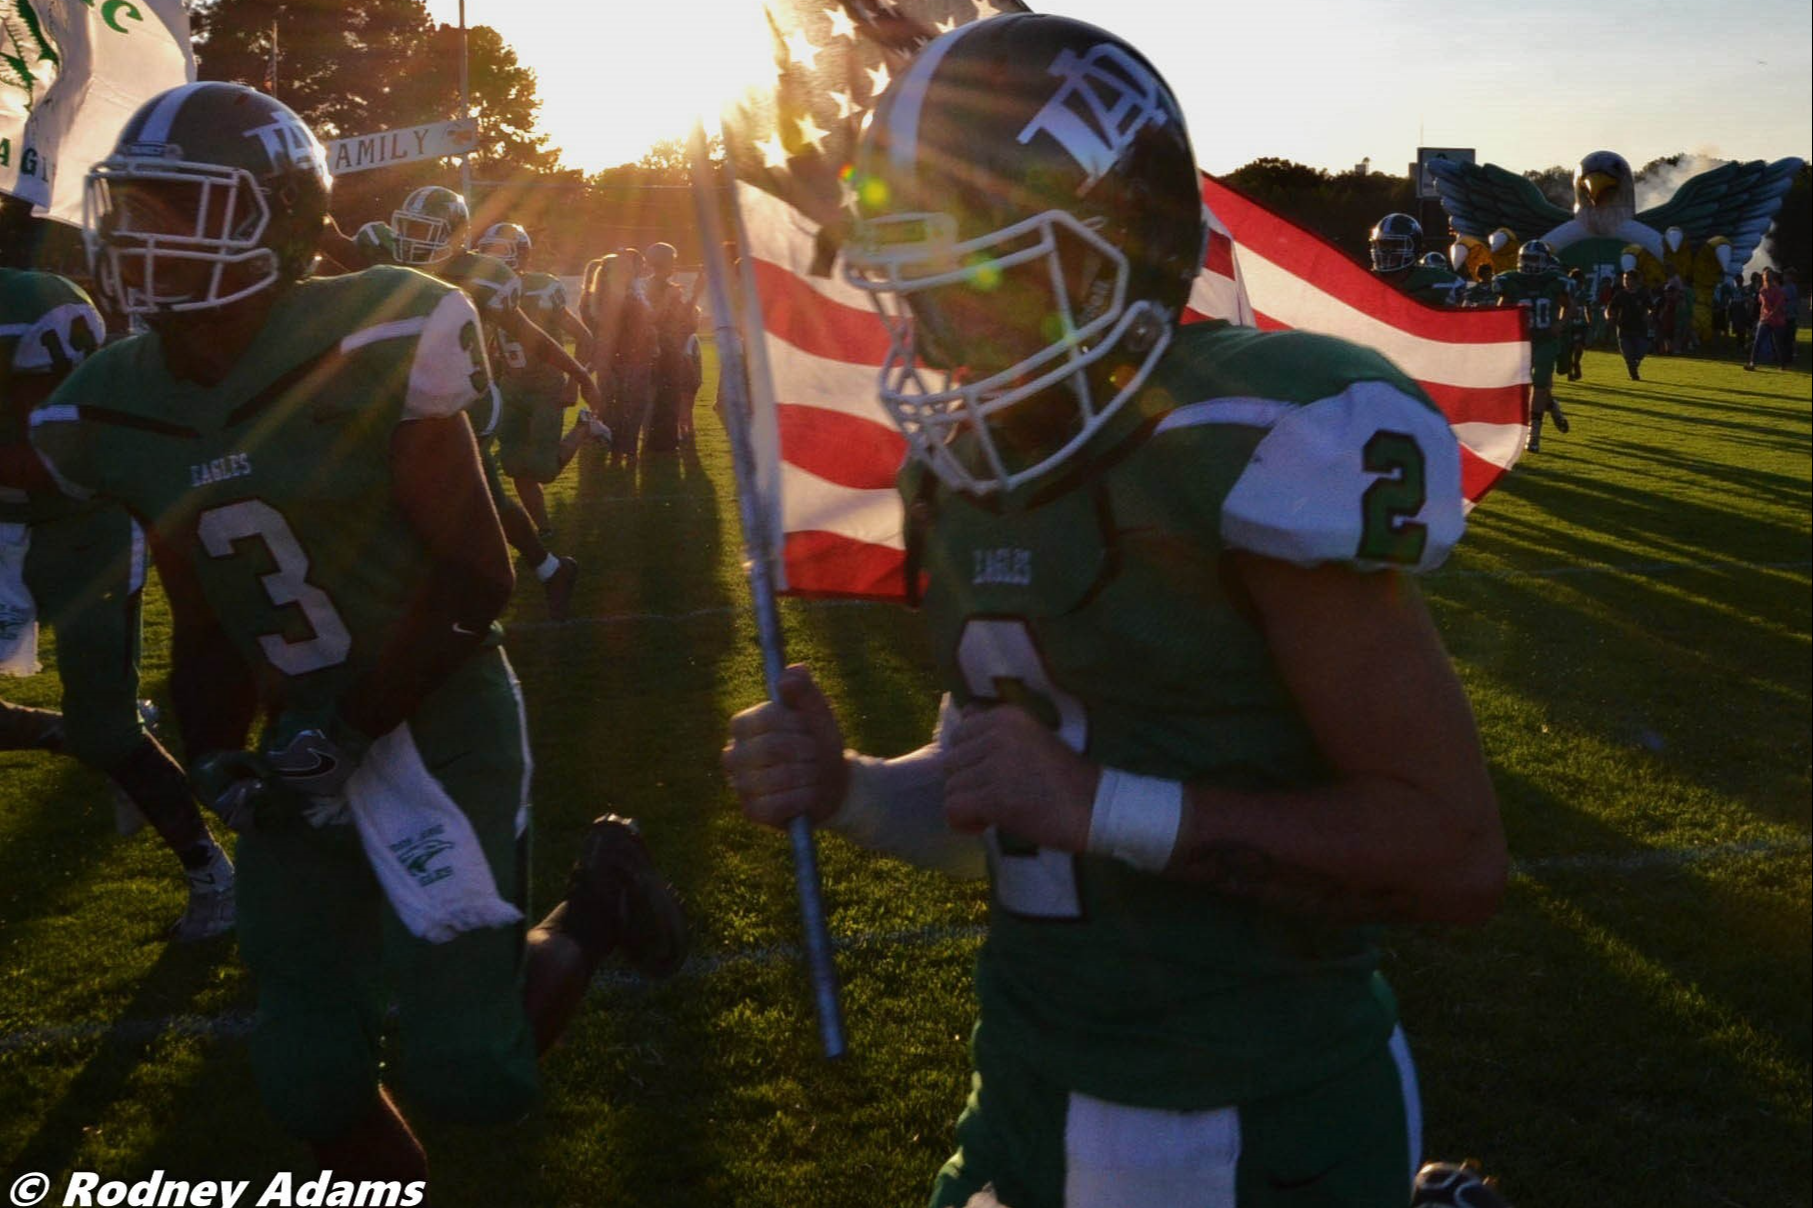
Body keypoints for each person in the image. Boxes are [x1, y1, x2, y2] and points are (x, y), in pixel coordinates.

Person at [721, 17, 1504, 1207]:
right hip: (1023, 1082)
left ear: (1107, 252)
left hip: (1242, 1114)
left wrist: (1102, 807)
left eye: (974, 279)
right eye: (915, 289)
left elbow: (1451, 853)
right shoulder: (971, 462)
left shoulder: (1241, 438)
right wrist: (850, 785)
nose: (935, 337)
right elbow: (1007, 789)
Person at [1, 82, 687, 1187]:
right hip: (302, 735)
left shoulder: (377, 328)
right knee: (307, 1073)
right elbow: (205, 607)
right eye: (136, 209)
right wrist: (221, 748)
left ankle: (599, 899)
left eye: (186, 209)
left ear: (275, 216)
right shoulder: (116, 401)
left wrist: (352, 730)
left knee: (471, 1067)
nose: (145, 239)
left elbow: (476, 578)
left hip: (437, 711)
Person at [0, 267, 235, 941]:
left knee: (110, 730)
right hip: (6, 526)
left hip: (82, 532)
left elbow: (50, 458)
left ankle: (213, 877)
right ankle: (61, 731)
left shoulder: (31, 306)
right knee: (93, 730)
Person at [474, 221, 598, 537]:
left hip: (546, 388)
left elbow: (584, 338)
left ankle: (584, 425)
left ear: (522, 254)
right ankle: (543, 528)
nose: (493, 257)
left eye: (500, 250)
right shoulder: (485, 291)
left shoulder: (543, 287)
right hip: (511, 387)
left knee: (542, 470)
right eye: (489, 250)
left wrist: (573, 383)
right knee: (514, 465)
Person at [1491, 239, 1572, 452]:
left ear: (1545, 261)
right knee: (1529, 385)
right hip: (1522, 341)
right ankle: (1553, 408)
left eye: (1535, 259)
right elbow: (1501, 311)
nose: (1530, 264)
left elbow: (1570, 307)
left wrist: (1560, 324)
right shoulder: (1511, 281)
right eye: (1527, 259)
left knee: (1539, 383)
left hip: (1546, 339)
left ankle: (1533, 434)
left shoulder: (1555, 281)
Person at [642, 242, 702, 452]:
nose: (675, 266)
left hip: (671, 348)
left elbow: (684, 320)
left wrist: (696, 292)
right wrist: (671, 299)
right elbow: (652, 319)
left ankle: (666, 441)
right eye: (673, 261)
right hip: (663, 350)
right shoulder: (655, 287)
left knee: (669, 396)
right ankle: (660, 443)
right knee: (663, 397)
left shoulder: (663, 286)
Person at [1368, 215, 1465, 306]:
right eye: (1381, 245)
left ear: (1414, 248)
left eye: (1395, 245)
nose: (1385, 252)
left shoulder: (1442, 283)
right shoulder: (1367, 281)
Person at [1604, 269, 1652, 380]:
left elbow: (1651, 308)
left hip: (1640, 329)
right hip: (1623, 329)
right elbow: (1610, 308)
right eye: (1625, 279)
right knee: (1628, 354)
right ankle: (1633, 372)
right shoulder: (1620, 294)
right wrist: (1608, 316)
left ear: (1636, 280)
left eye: (1628, 279)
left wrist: (1649, 315)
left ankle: (1634, 365)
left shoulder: (1643, 294)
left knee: (1640, 353)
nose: (1625, 281)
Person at [1746, 268, 1790, 371]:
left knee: (1778, 343)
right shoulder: (1762, 290)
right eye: (1765, 275)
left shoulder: (1778, 291)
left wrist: (1769, 316)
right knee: (1758, 341)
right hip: (1765, 320)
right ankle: (1752, 363)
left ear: (1772, 277)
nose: (1767, 277)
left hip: (1777, 320)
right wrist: (1762, 317)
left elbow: (1777, 306)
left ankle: (1783, 364)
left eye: (1769, 275)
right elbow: (1763, 305)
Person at [1563, 267, 1591, 381]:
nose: (1580, 284)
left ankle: (1576, 363)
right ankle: (1569, 370)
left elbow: (1587, 307)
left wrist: (1590, 320)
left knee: (1578, 346)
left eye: (1582, 282)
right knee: (1569, 348)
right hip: (1569, 323)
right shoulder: (1566, 293)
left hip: (1581, 324)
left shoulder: (1584, 293)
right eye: (1579, 281)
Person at [1781, 267, 1800, 367]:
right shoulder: (1790, 287)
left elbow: (1785, 300)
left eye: (1786, 275)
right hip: (1790, 315)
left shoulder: (1789, 287)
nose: (1784, 277)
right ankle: (1789, 356)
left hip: (1788, 315)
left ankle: (1788, 357)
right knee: (1789, 338)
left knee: (1788, 338)